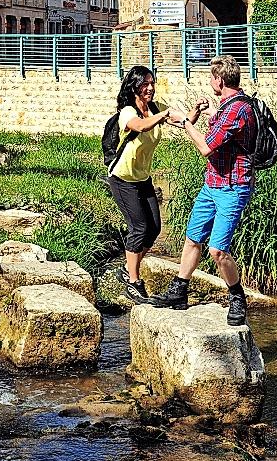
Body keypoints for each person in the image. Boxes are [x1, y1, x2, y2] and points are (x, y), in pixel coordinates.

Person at [150, 54, 254, 325]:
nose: (210, 81)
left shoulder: (238, 109)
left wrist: (186, 121)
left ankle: (237, 297)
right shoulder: (227, 106)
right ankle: (180, 291)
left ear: (219, 80)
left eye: (211, 77)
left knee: (218, 251)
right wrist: (205, 113)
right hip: (212, 184)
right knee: (193, 238)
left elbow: (207, 146)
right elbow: (221, 129)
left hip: (233, 187)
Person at [108, 64, 181, 304]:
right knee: (138, 228)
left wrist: (196, 112)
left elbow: (182, 121)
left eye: (152, 83)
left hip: (143, 178)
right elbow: (139, 126)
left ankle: (129, 270)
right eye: (145, 84)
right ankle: (133, 281)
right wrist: (162, 115)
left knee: (154, 229)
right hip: (123, 179)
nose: (150, 88)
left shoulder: (154, 108)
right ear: (134, 86)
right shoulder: (128, 112)